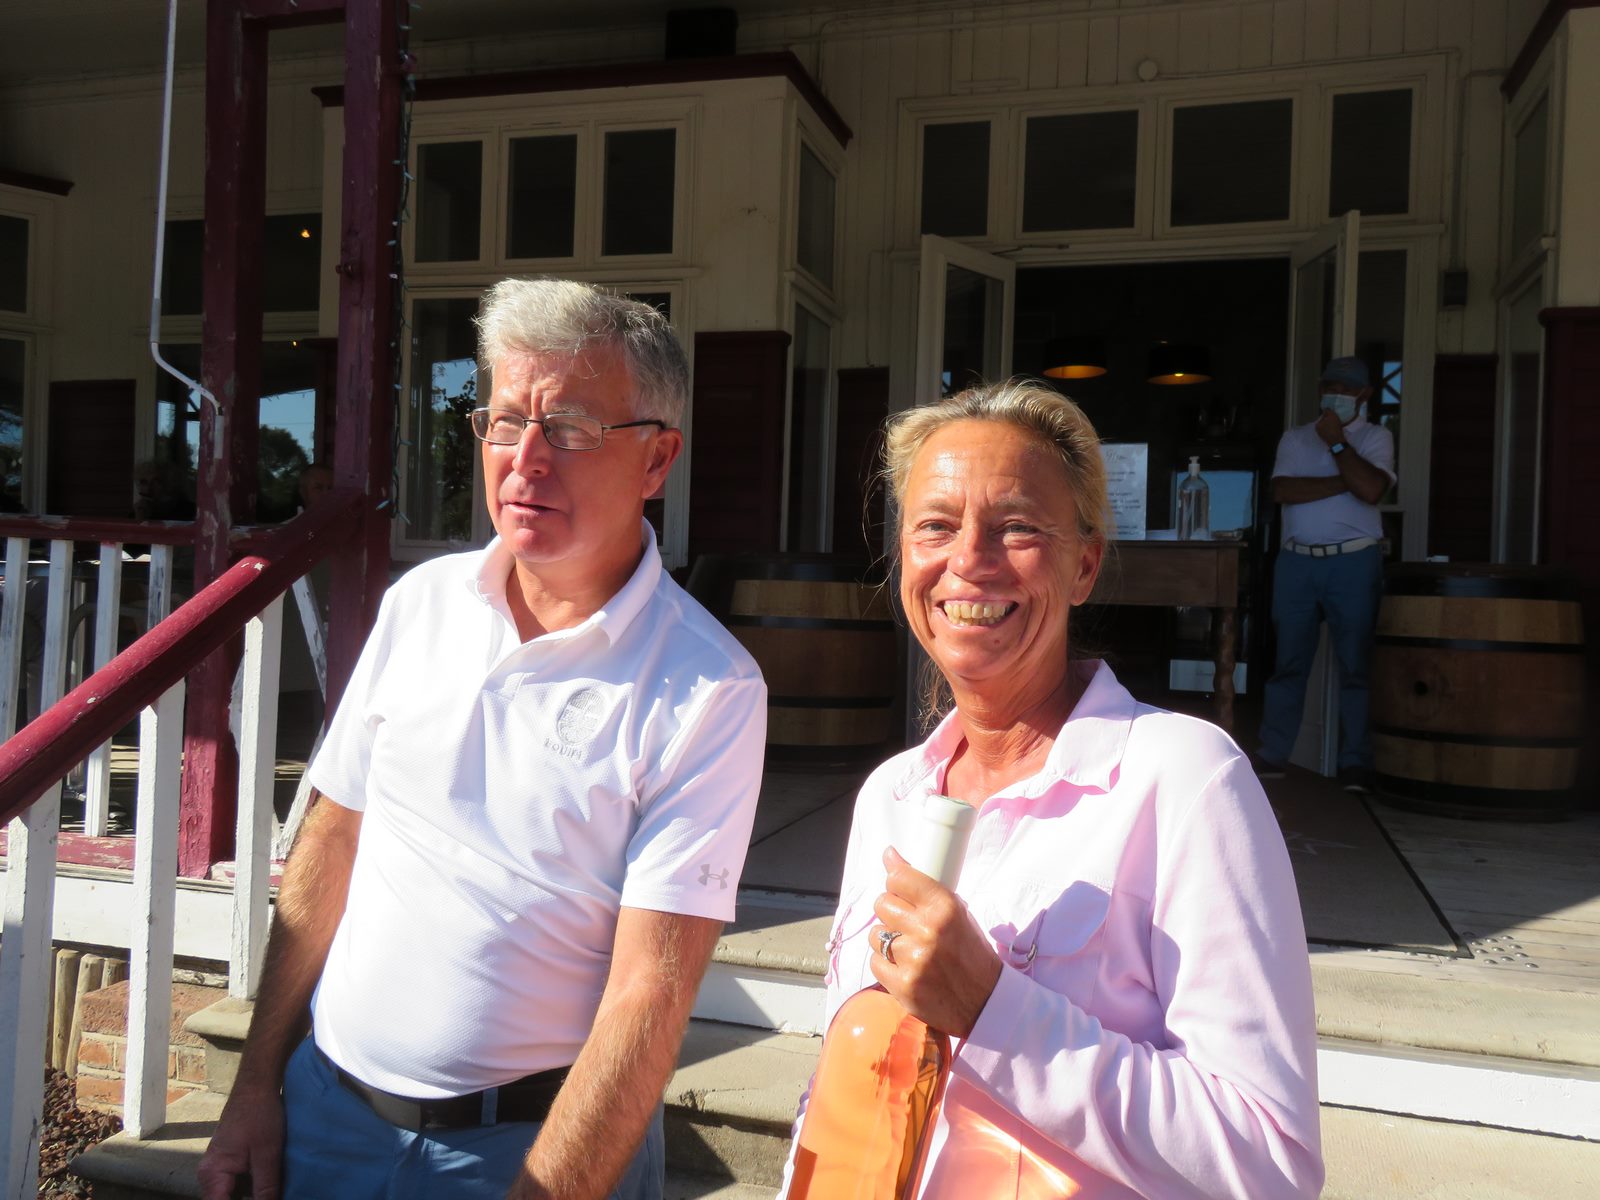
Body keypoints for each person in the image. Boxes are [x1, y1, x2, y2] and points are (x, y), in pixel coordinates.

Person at [197, 279, 768, 1200]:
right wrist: (256, 1082)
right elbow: (332, 840)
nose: (524, 461)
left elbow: (650, 995)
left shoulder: (706, 686)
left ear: (657, 459)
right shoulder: (421, 604)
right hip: (324, 1115)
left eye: (570, 428)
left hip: (531, 1152)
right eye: (505, 423)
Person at [782, 381, 1322, 1198]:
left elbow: (1268, 1162)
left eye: (1018, 528)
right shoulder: (891, 796)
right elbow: (847, 1081)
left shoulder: (1181, 780)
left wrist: (995, 1009)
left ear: (1084, 566)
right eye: (936, 526)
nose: (970, 559)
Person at [1254, 356, 1396, 793]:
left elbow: (1372, 489)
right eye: (1331, 386)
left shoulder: (1376, 437)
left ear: (1365, 395)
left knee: (1356, 665)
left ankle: (1355, 762)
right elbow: (1283, 490)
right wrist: (1347, 480)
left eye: (1348, 389)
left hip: (1354, 560)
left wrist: (1337, 444)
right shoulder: (1295, 438)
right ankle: (1273, 754)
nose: (1337, 395)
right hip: (1297, 561)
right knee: (1288, 662)